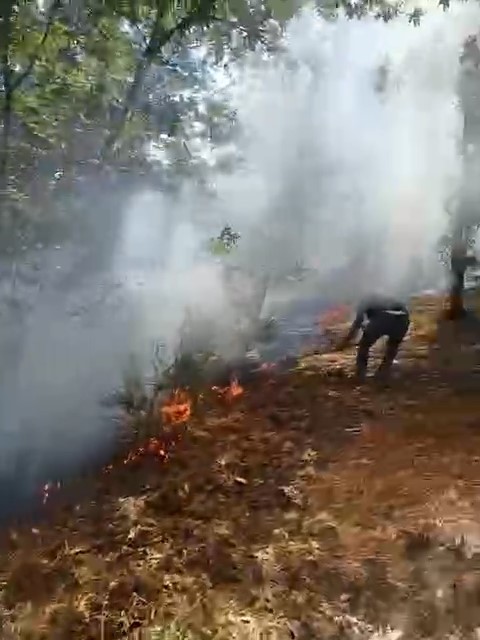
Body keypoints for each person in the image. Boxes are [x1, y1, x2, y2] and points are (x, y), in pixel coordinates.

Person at [336, 295, 410, 381]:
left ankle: (361, 375)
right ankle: (383, 373)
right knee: (392, 347)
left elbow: (357, 324)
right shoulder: (381, 298)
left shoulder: (364, 301)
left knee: (364, 345)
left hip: (384, 318)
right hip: (403, 318)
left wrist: (345, 342)